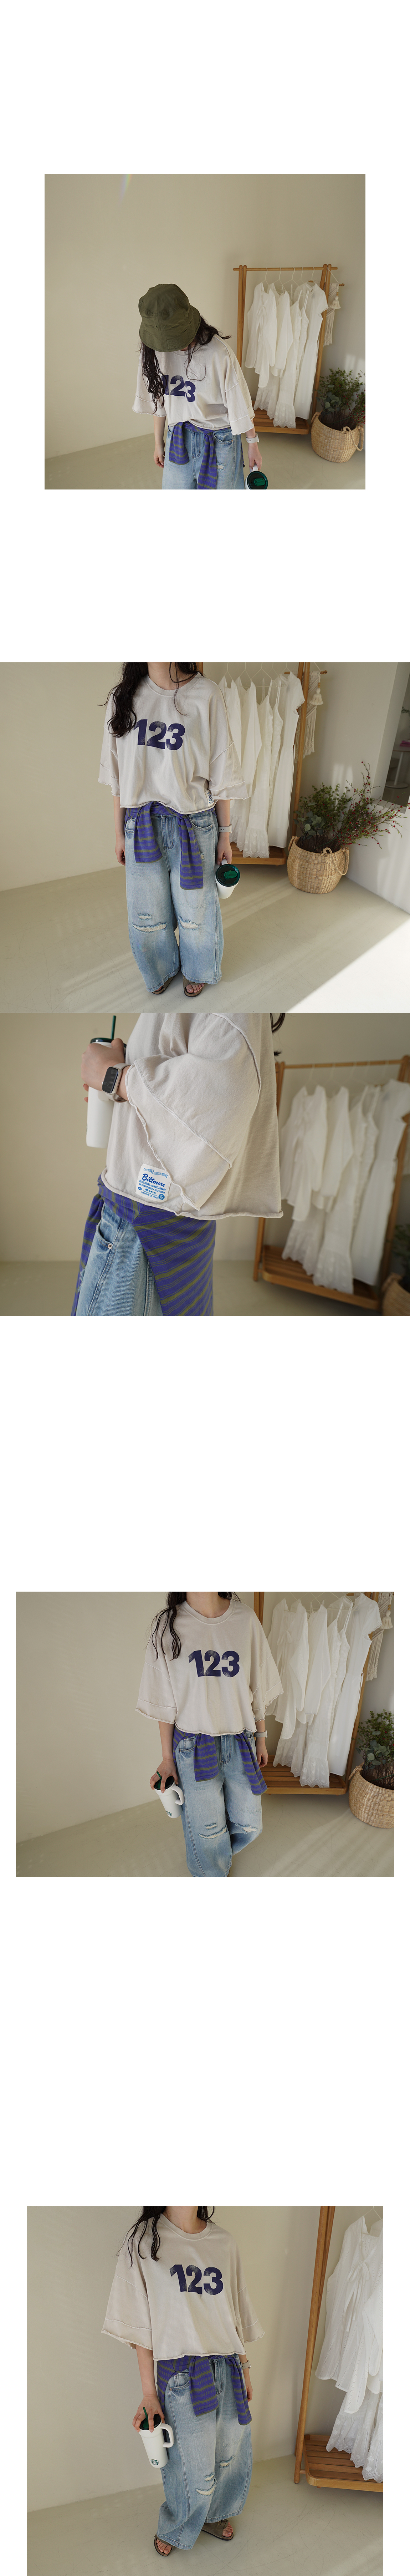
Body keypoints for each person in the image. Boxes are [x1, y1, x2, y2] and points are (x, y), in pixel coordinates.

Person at [73, 1014, 282, 1318]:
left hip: (145, 1226)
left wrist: (116, 1076)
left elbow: (216, 1094)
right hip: (151, 1215)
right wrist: (121, 1075)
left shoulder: (228, 1001)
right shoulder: (190, 993)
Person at [102, 2204, 264, 2553]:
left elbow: (234, 2314)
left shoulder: (224, 2242)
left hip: (228, 2367)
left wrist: (245, 2367)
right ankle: (176, 2525)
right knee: (190, 2466)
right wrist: (149, 2394)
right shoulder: (144, 2241)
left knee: (230, 2455)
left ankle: (215, 2514)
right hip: (180, 2374)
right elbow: (140, 2327)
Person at [99, 664, 244, 995]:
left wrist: (225, 833)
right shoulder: (123, 697)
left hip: (194, 824)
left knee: (197, 911)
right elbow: (118, 777)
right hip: (141, 825)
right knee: (147, 913)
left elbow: (222, 773)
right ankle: (161, 967)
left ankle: (198, 968)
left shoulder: (207, 695)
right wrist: (119, 834)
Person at [138, 1592, 282, 1876]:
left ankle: (213, 1853)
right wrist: (167, 1759)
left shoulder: (245, 1619)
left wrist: (261, 1738)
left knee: (251, 1824)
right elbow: (165, 1704)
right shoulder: (168, 1626)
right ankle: (210, 1869)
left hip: (240, 1741)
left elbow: (258, 1687)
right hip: (193, 1745)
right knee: (207, 1831)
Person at [134, 284, 263, 490]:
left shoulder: (219, 353)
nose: (174, 348)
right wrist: (159, 443)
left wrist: (253, 444)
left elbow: (240, 406)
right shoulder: (154, 351)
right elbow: (160, 400)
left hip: (220, 440)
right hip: (178, 437)